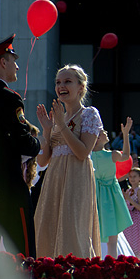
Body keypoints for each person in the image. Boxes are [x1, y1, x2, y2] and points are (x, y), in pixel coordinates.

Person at [34, 65, 103, 258]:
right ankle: (48, 276)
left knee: (73, 227)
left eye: (67, 81)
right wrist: (47, 131)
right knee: (48, 225)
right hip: (54, 179)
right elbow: (42, 160)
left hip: (76, 178)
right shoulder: (58, 117)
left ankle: (76, 278)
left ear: (81, 87)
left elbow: (82, 152)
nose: (61, 86)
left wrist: (62, 126)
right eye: (58, 82)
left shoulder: (89, 114)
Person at [0, 34, 39, 256]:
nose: (17, 66)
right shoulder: (9, 98)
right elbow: (25, 145)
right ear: (2, 62)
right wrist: (37, 142)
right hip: (8, 189)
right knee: (23, 256)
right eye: (13, 59)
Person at [91, 119, 135, 259]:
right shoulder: (112, 154)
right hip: (110, 196)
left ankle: (94, 263)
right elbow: (127, 156)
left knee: (94, 235)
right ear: (97, 138)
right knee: (112, 238)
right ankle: (112, 265)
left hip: (95, 195)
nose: (106, 133)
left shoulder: (88, 156)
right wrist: (125, 135)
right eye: (103, 132)